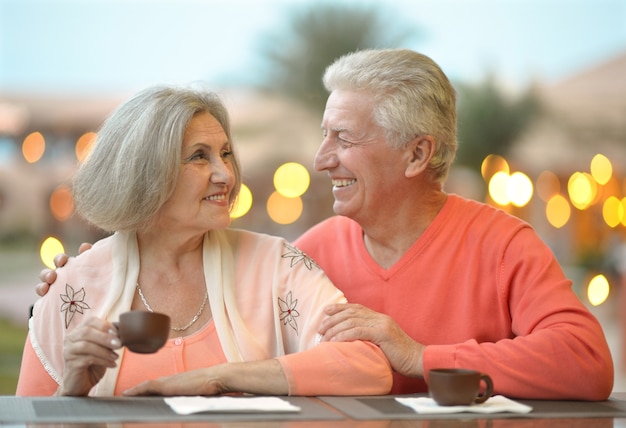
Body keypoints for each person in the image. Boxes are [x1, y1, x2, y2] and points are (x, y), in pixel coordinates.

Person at [37, 49, 614, 401]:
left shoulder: (502, 245)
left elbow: (587, 363)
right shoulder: (309, 253)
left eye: (343, 138)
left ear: (416, 156)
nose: (320, 159)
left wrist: (419, 356)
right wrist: (87, 272)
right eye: (323, 134)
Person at [18, 84, 392, 397]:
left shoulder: (277, 266)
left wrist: (222, 376)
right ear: (145, 174)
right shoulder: (72, 287)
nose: (225, 174)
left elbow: (369, 366)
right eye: (199, 157)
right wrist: (71, 394)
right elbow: (28, 420)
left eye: (226, 154)